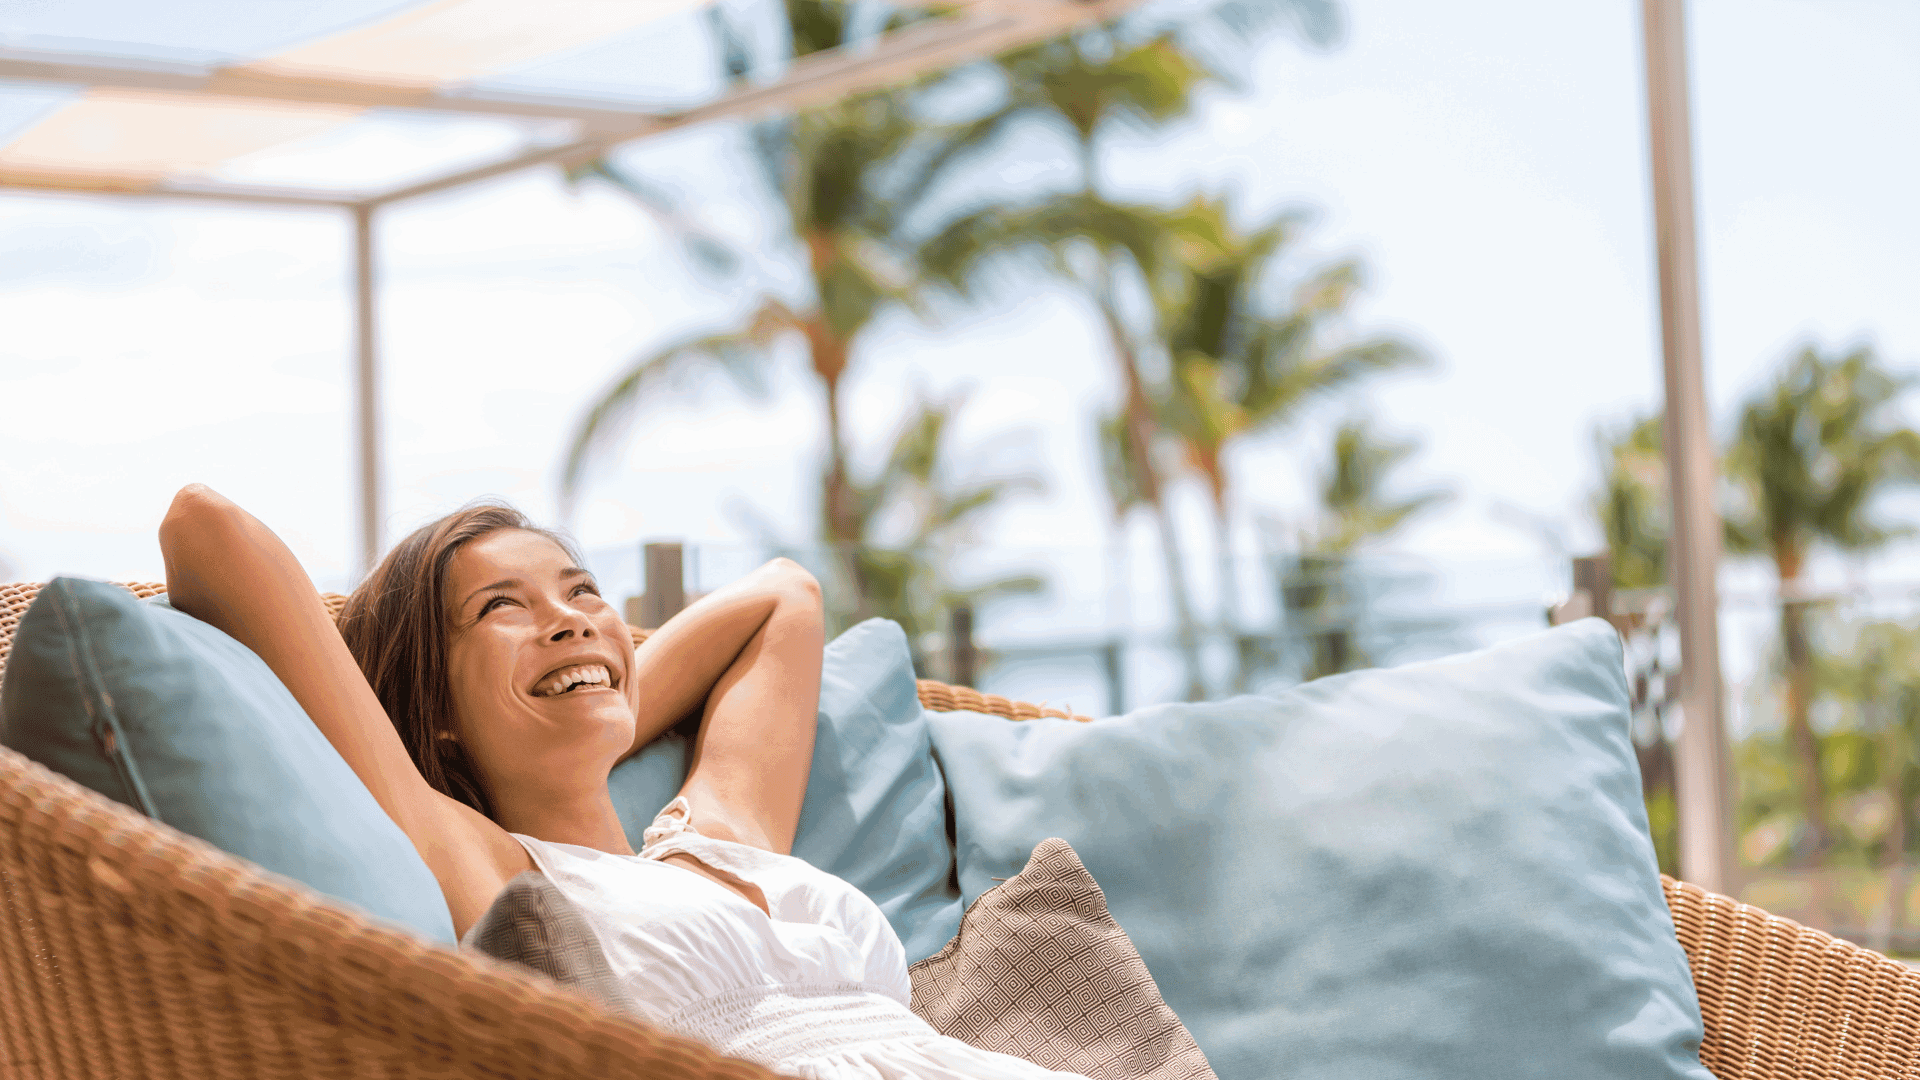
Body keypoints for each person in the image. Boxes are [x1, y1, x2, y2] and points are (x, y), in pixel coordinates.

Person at [159, 484, 1090, 1080]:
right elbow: (205, 529)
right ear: (432, 706)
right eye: (500, 609)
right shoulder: (488, 864)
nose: (567, 620)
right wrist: (547, 713)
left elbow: (783, 596)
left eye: (582, 592)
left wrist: (593, 700)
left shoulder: (710, 835)